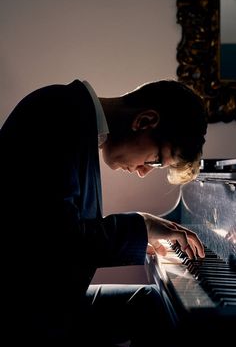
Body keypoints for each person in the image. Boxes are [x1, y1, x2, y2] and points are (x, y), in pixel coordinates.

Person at [0, 78, 207, 346]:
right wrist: (140, 227)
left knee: (151, 302)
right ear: (144, 121)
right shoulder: (57, 115)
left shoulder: (73, 116)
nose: (143, 172)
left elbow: (58, 228)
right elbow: (59, 243)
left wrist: (135, 235)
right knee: (157, 310)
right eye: (156, 161)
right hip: (26, 312)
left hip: (42, 298)